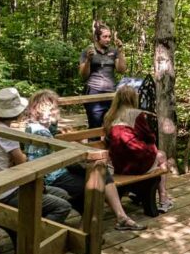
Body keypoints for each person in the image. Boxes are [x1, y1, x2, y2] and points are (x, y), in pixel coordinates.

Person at [24, 89, 147, 231]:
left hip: (57, 170)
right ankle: (94, 228)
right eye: (54, 108)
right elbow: (53, 159)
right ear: (43, 110)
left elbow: (52, 139)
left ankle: (118, 218)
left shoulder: (38, 127)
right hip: (53, 176)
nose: (58, 111)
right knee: (96, 186)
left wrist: (57, 125)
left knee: (101, 172)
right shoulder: (40, 132)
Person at [0, 88, 72, 245]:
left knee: (61, 193)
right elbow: (22, 163)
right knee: (63, 207)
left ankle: (30, 228)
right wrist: (24, 157)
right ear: (16, 113)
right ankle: (35, 241)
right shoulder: (7, 134)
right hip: (9, 191)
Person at [103, 85, 173, 213]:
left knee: (158, 158)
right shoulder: (135, 114)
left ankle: (139, 193)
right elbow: (150, 137)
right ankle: (163, 198)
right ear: (133, 99)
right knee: (161, 156)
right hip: (136, 164)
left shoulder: (109, 116)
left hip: (118, 164)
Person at [79, 21, 127, 129]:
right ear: (97, 38)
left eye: (109, 36)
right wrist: (88, 60)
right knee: (94, 128)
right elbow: (83, 75)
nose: (108, 39)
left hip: (111, 94)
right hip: (93, 93)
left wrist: (120, 51)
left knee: (111, 128)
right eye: (105, 37)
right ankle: (92, 146)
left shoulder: (113, 51)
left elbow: (121, 70)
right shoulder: (87, 51)